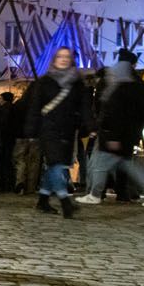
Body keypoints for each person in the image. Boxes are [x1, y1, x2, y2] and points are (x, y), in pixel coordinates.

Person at [77, 49, 144, 207]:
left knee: (103, 163)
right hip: (124, 132)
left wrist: (112, 134)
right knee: (124, 163)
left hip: (113, 132)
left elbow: (112, 110)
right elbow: (141, 110)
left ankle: (94, 194)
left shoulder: (117, 83)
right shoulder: (135, 83)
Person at [25, 46, 91, 218]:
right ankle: (65, 201)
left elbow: (84, 107)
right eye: (60, 56)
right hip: (48, 127)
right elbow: (35, 106)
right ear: (54, 59)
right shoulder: (44, 81)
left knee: (58, 165)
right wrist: (31, 129)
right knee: (55, 163)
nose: (63, 59)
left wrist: (90, 126)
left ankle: (43, 200)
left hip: (68, 128)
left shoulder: (77, 83)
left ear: (71, 60)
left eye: (66, 56)